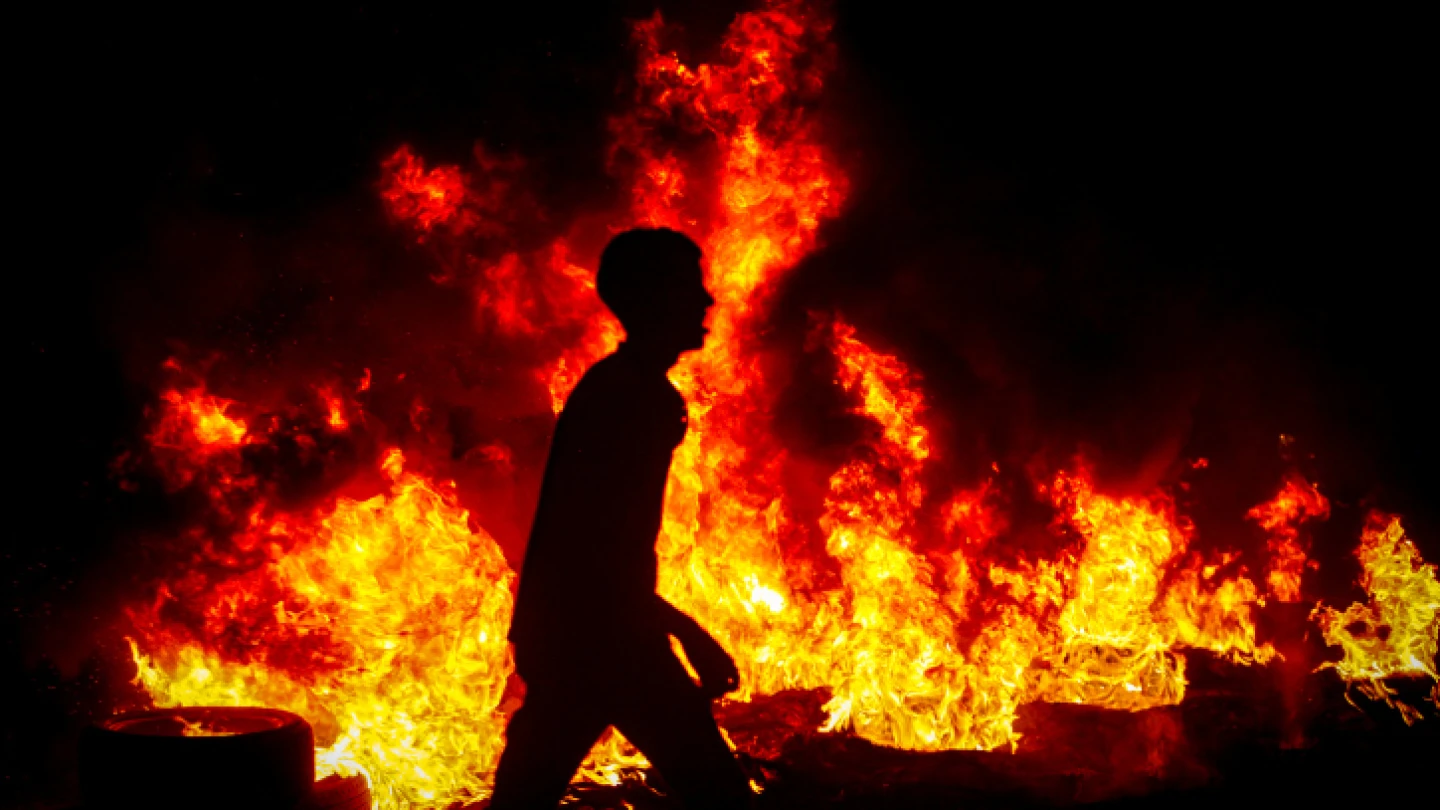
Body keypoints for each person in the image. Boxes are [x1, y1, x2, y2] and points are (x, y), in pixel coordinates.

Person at [490, 228, 752, 809]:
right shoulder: (633, 399)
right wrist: (692, 635)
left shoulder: (620, 388)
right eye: (689, 286)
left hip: (578, 634)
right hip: (600, 639)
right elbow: (596, 552)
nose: (706, 301)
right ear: (653, 298)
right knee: (722, 796)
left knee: (527, 793)